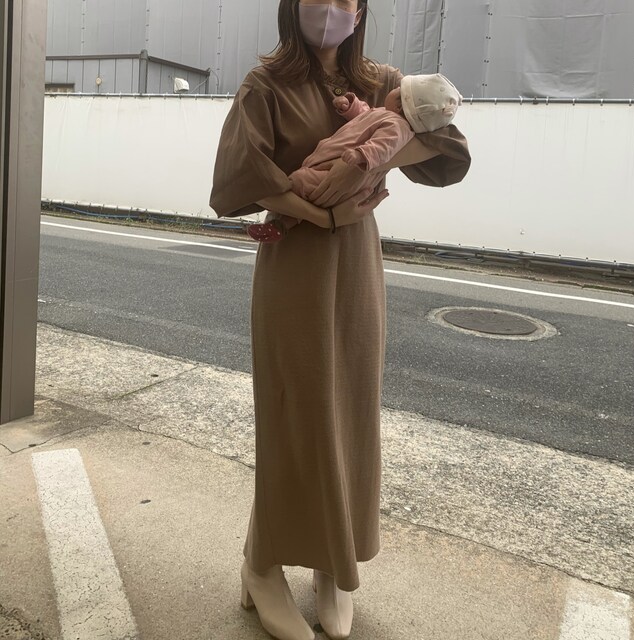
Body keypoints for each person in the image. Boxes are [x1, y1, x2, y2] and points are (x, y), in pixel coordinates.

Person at [209, 1, 471, 639]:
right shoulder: (266, 84)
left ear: (360, 11)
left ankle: (333, 562)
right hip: (295, 256)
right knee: (293, 412)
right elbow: (243, 176)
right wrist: (324, 211)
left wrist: (380, 150)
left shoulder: (383, 82)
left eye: (344, 0)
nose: (330, 10)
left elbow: (448, 149)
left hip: (356, 262)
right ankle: (262, 565)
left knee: (349, 411)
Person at [247, 72, 464, 242]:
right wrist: (349, 106)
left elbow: (383, 147)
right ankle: (282, 225)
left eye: (398, 89)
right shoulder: (384, 114)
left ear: (400, 104)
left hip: (335, 172)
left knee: (300, 182)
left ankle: (279, 212)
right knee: (308, 193)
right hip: (329, 169)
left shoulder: (397, 126)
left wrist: (361, 154)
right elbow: (364, 114)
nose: (394, 88)